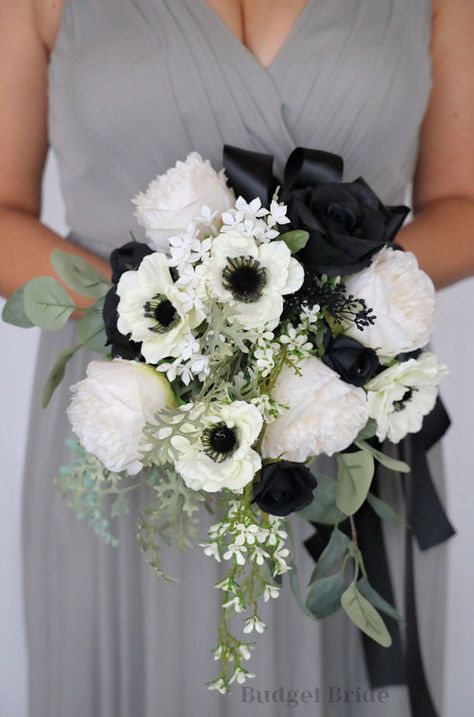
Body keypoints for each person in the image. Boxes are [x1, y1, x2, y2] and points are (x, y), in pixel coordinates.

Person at [0, 1, 473, 715]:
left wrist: (317, 313)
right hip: (128, 435)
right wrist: (170, 318)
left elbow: (461, 198)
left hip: (342, 423)